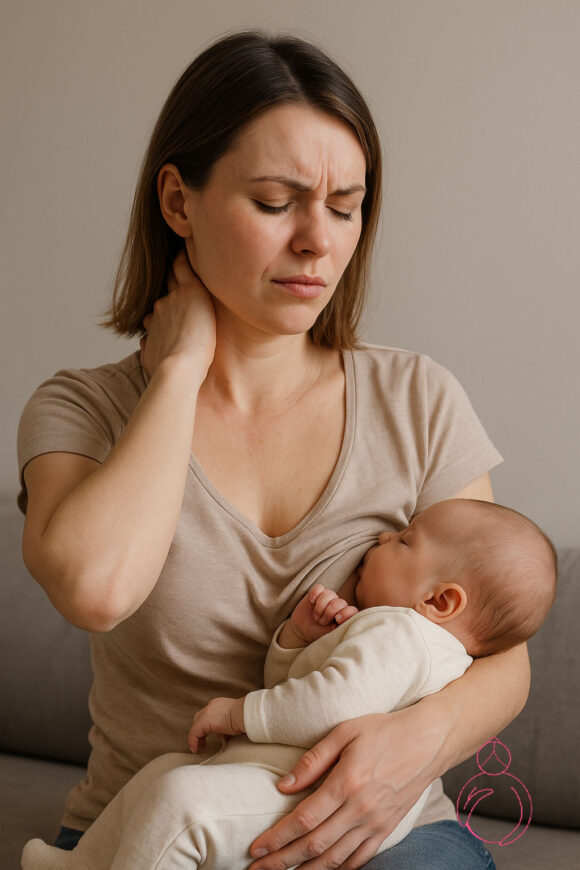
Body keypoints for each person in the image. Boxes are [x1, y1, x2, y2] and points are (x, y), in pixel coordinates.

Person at [16, 28, 531, 870]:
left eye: (344, 206)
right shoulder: (81, 408)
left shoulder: (417, 398)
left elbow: (502, 657)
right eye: (274, 202)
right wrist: (180, 369)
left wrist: (414, 748)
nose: (317, 243)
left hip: (375, 828)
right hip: (152, 832)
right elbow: (96, 589)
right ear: (179, 203)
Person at [20, 498, 557, 870]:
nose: (385, 535)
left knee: (182, 801)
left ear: (440, 600)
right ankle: (82, 861)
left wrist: (238, 714)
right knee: (165, 771)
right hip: (282, 776)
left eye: (406, 540)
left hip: (315, 797)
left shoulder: (404, 634)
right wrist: (299, 641)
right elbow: (302, 690)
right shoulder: (399, 636)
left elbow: (330, 704)